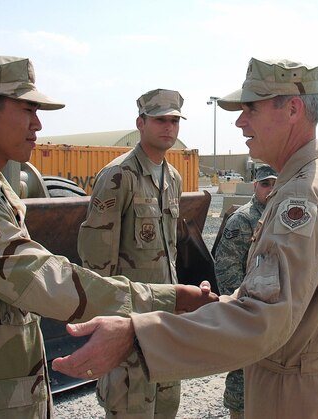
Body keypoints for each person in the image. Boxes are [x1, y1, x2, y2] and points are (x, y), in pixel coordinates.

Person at [0, 56, 215, 419]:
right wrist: (170, 299)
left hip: (1, 394)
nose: (37, 124)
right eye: (27, 109)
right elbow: (48, 281)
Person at [53, 57, 318, 418]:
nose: (240, 121)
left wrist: (138, 334)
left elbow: (264, 319)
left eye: (251, 109)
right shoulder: (312, 180)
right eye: (161, 120)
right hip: (297, 381)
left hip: (294, 394)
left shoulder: (302, 195)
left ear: (293, 109)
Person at [77, 88, 185, 418]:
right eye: (160, 120)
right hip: (130, 323)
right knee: (130, 409)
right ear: (141, 123)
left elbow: (170, 252)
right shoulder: (119, 176)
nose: (168, 127)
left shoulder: (173, 179)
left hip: (164, 321)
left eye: (174, 121)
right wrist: (107, 322)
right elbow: (97, 259)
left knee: (166, 408)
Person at [212, 164, 277, 418]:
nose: (270, 189)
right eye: (265, 184)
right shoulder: (243, 219)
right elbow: (226, 266)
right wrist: (242, 304)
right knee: (243, 365)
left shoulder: (281, 216)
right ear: (255, 186)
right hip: (248, 307)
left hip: (273, 306)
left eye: (275, 184)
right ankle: (237, 413)